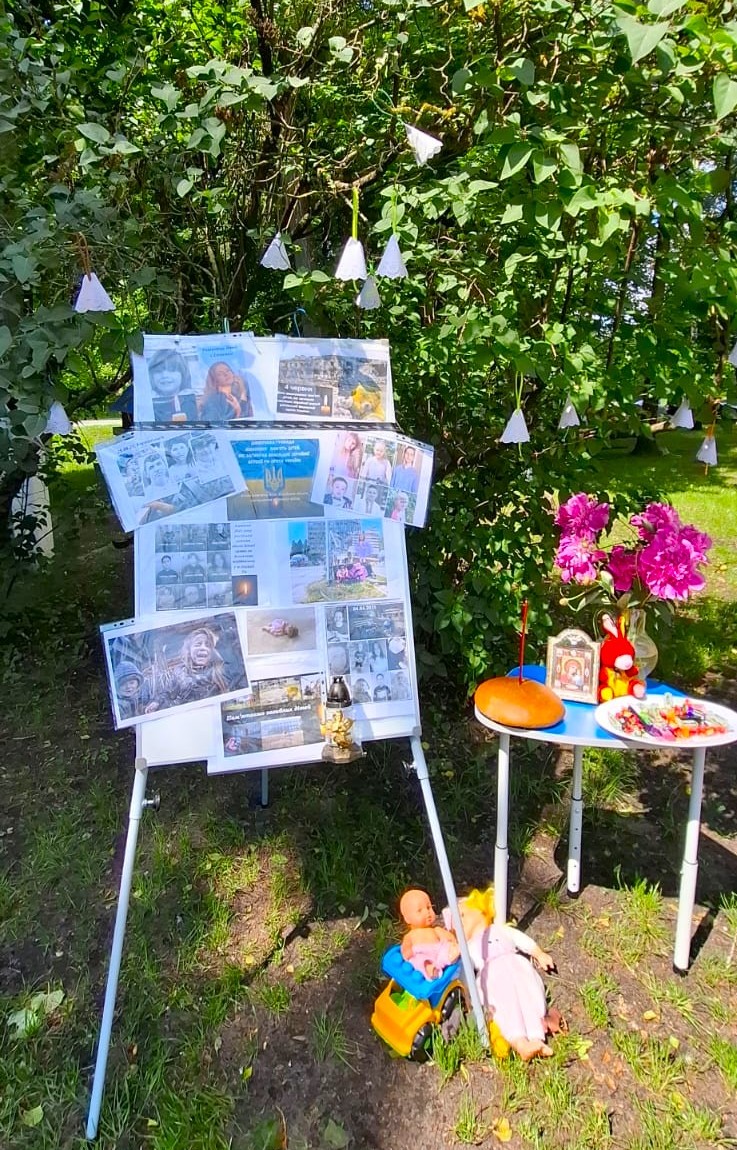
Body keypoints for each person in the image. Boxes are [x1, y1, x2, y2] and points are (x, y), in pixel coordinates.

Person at [157, 627, 232, 708]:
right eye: (198, 644)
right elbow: (167, 692)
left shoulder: (221, 671)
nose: (203, 648)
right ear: (189, 651)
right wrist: (156, 702)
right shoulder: (179, 672)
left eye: (208, 645)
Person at [400, 889, 460, 980]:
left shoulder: (436, 930)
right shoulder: (410, 935)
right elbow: (406, 948)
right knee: (418, 960)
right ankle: (431, 969)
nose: (427, 912)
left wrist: (452, 939)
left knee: (448, 948)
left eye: (428, 907)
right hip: (422, 953)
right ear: (407, 919)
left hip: (438, 950)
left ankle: (450, 957)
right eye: (420, 910)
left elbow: (448, 937)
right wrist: (407, 953)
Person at [147, 350, 199, 423]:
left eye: (171, 370)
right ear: (152, 376)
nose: (165, 375)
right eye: (158, 371)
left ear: (182, 373)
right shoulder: (146, 403)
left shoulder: (194, 400)